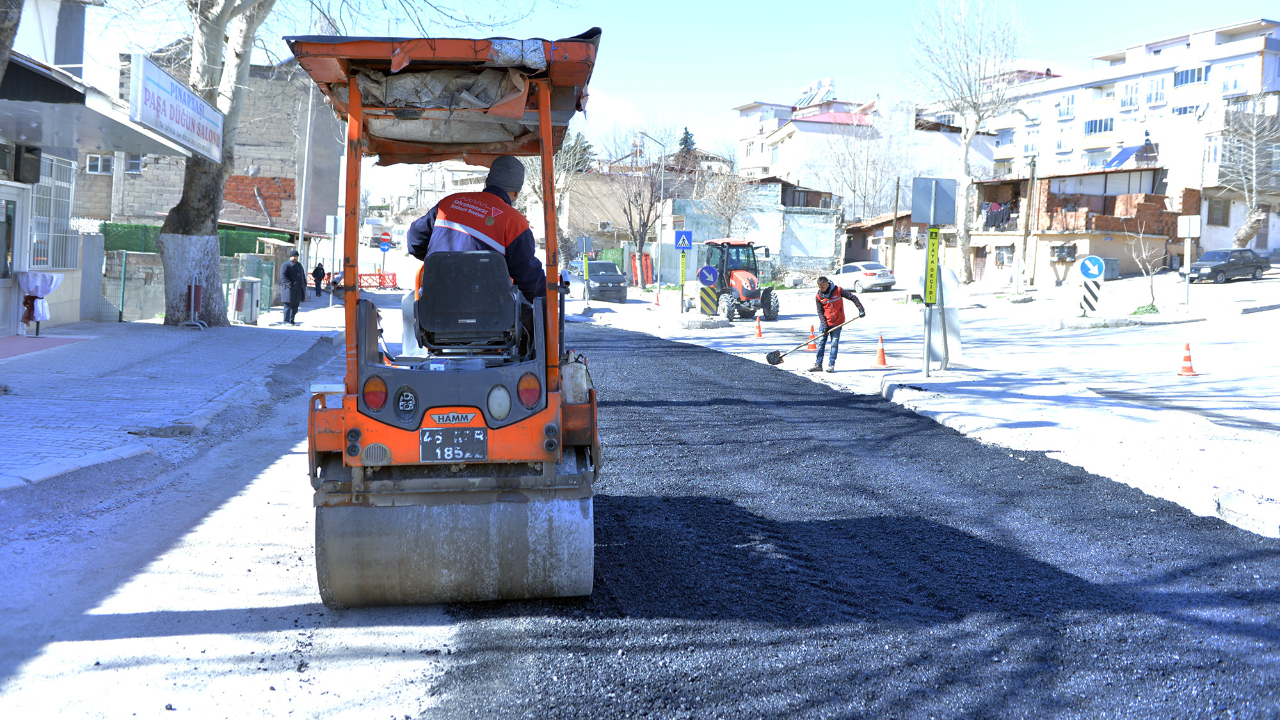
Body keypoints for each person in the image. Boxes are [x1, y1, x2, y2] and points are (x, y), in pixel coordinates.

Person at [406, 155, 545, 301]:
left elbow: (414, 241)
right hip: (490, 317)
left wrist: (442, 262)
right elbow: (529, 278)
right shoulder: (515, 221)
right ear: (516, 193)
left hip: (433, 310)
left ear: (487, 183)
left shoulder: (449, 202)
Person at [810, 275, 865, 373]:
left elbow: (852, 297)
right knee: (821, 343)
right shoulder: (819, 296)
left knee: (834, 344)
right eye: (819, 287)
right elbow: (820, 312)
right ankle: (818, 364)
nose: (821, 289)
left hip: (837, 322)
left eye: (822, 287)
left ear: (827, 284)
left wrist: (860, 309)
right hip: (825, 323)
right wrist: (825, 325)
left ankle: (831, 365)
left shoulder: (838, 290)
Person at [280, 249, 306, 325]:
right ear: (290, 257)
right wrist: (289, 284)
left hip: (298, 290)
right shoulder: (286, 265)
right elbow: (283, 276)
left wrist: (304, 284)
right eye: (294, 256)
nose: (295, 258)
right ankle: (286, 321)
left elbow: (302, 276)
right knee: (288, 306)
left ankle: (292, 321)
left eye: (297, 256)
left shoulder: (299, 265)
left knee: (295, 306)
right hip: (289, 290)